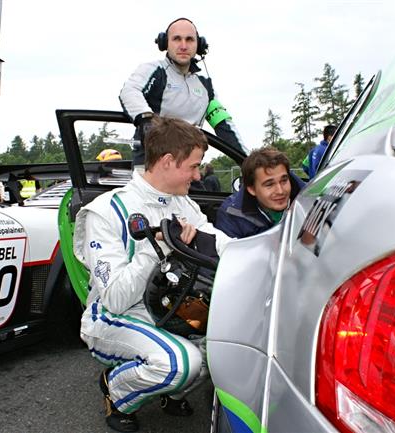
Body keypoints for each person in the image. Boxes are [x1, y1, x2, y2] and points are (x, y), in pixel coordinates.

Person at [73, 116, 231, 432]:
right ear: (168, 161)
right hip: (111, 316)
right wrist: (154, 248)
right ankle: (116, 391)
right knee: (182, 364)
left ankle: (169, 390)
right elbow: (115, 298)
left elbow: (221, 243)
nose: (199, 175)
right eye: (194, 166)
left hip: (168, 308)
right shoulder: (105, 212)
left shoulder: (182, 203)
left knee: (221, 351)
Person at [119, 17, 244, 167]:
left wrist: (249, 161)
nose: (183, 46)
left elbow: (223, 125)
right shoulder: (154, 70)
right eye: (177, 39)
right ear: (165, 43)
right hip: (152, 164)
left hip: (188, 167)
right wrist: (147, 121)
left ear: (199, 45)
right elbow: (129, 91)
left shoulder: (205, 85)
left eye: (189, 40)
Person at [215, 147, 304, 239]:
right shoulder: (232, 214)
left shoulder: (309, 199)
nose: (280, 191)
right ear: (252, 189)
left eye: (284, 181)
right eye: (269, 184)